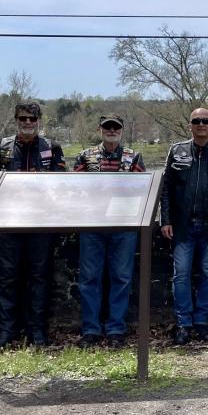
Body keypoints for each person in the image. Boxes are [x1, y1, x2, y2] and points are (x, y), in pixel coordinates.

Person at [0, 101, 67, 347]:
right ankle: (7, 332)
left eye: (32, 118)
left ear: (39, 120)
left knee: (40, 278)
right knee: (8, 278)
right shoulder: (1, 147)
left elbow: (62, 184)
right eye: (23, 118)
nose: (27, 122)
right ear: (16, 120)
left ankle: (37, 332)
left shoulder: (52, 147)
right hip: (9, 223)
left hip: (42, 224)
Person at [160, 108, 208, 345]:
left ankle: (202, 321)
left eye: (205, 121)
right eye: (196, 121)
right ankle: (184, 323)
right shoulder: (176, 151)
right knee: (181, 275)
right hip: (182, 227)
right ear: (189, 125)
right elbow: (165, 189)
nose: (201, 124)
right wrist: (165, 220)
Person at [73, 114, 146, 348]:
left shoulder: (134, 156)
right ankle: (91, 329)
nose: (112, 130)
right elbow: (74, 190)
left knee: (121, 278)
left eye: (116, 127)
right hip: (91, 225)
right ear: (100, 129)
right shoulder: (85, 156)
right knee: (89, 279)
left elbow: (142, 190)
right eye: (107, 127)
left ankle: (116, 329)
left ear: (122, 130)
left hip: (124, 225)